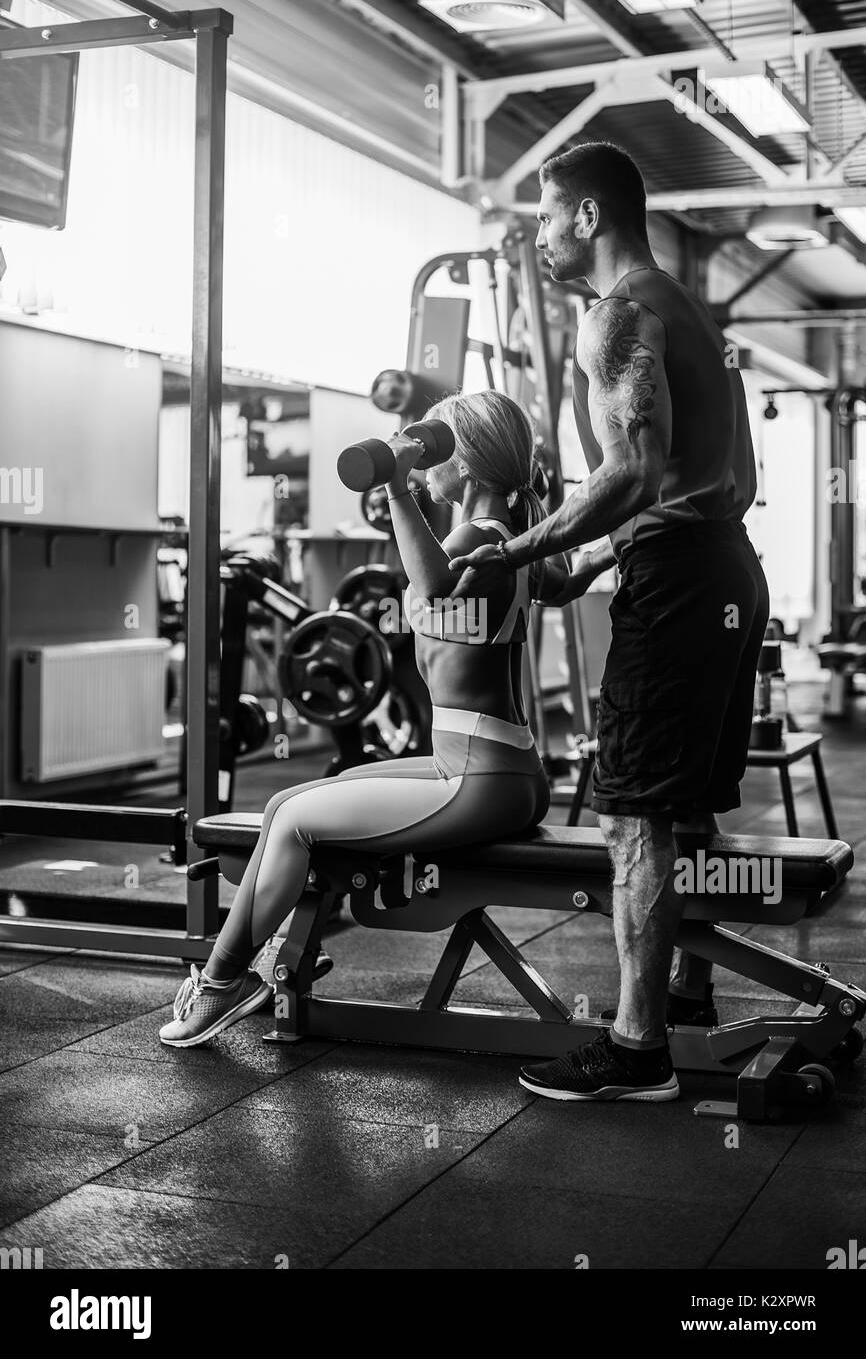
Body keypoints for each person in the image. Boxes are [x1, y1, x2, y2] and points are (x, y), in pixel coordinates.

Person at [450, 141, 769, 1104]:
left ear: (585, 217)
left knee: (633, 814)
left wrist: (516, 549)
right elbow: (721, 485)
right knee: (689, 803)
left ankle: (637, 1052)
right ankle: (686, 993)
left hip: (677, 587)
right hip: (724, 572)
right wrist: (590, 557)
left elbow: (629, 474)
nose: (542, 239)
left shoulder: (617, 317)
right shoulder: (690, 314)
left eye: (546, 219)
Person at [160, 389, 567, 1047]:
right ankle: (250, 971)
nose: (428, 457)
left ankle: (220, 981)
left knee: (292, 821)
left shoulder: (474, 537)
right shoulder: (514, 540)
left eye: (439, 445)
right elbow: (565, 580)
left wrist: (399, 483)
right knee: (286, 802)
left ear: (464, 467)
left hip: (477, 779)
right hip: (497, 768)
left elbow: (430, 590)